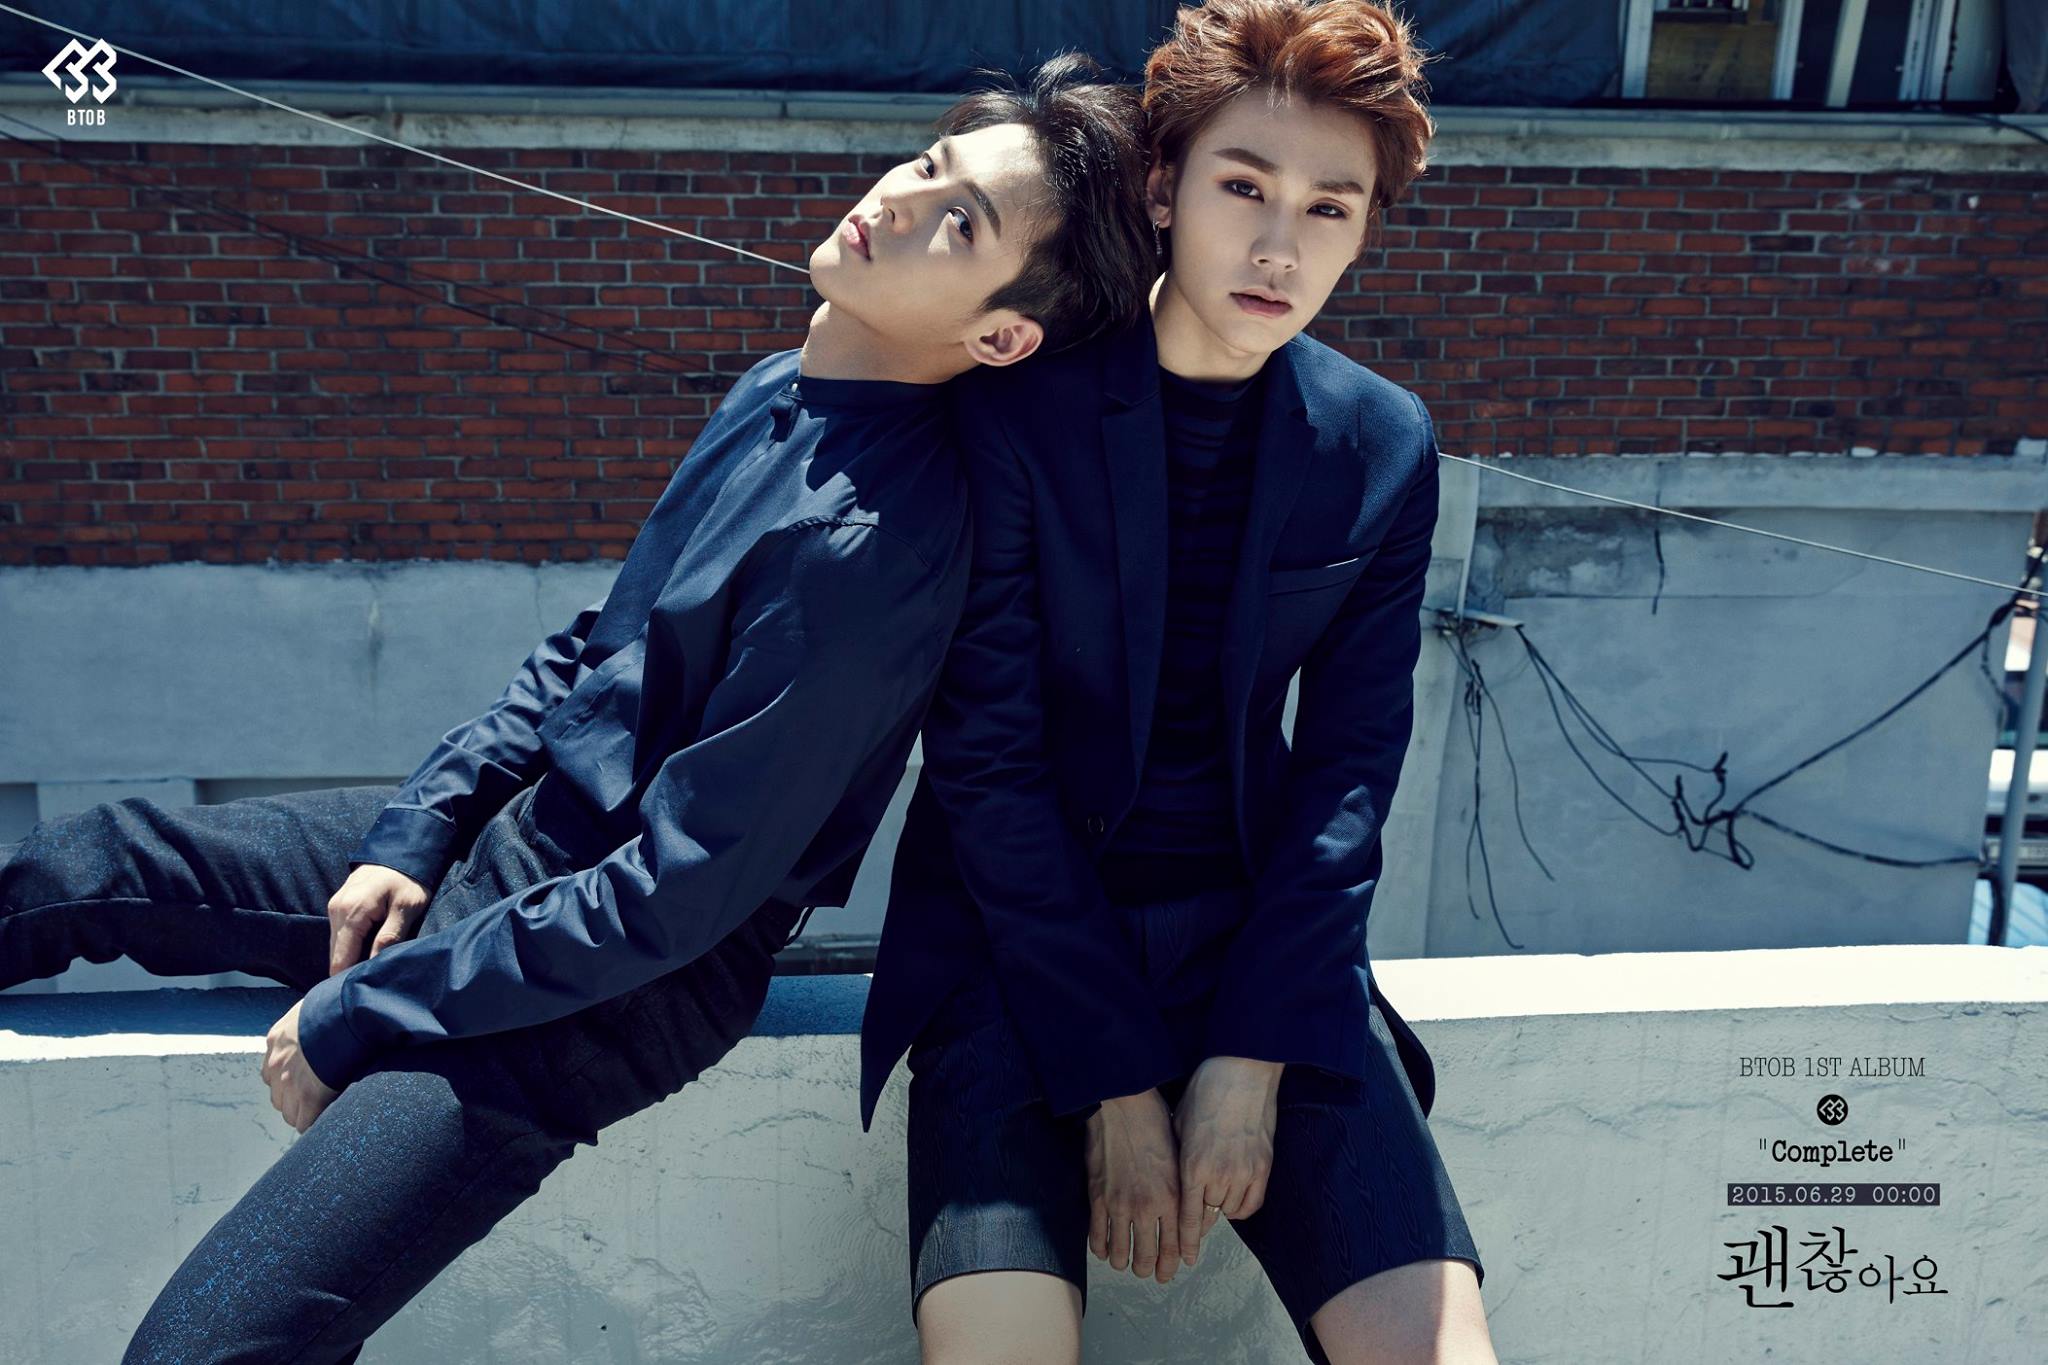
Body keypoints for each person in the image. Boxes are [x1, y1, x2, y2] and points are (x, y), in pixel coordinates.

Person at [0, 53, 1159, 1363]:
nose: (899, 199)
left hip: (598, 991)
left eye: (959, 224)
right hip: (519, 847)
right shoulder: (776, 391)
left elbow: (679, 893)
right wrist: (417, 831)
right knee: (82, 864)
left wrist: (362, 1010)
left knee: (204, 1349)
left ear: (1002, 334)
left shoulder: (877, 547)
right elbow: (584, 655)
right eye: (930, 166)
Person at [859, 4, 1500, 1362]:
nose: (1279, 249)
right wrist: (1117, 1083)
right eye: (1243, 189)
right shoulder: (1020, 407)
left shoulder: (1381, 445)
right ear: (1164, 190)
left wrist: (1251, 1056)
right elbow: (985, 760)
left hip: (1263, 944)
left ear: (1365, 230)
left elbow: (1348, 772)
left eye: (1328, 209)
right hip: (1015, 943)